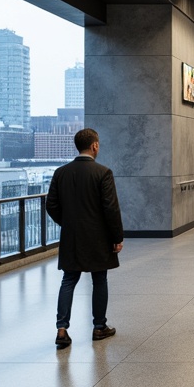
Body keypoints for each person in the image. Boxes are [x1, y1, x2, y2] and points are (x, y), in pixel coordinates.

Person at [45, 127, 124, 347]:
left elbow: (50, 205)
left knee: (68, 280)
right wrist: (117, 237)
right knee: (99, 279)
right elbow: (111, 208)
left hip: (72, 237)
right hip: (98, 238)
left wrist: (67, 223)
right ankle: (99, 327)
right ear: (94, 145)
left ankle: (62, 330)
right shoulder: (103, 173)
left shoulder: (61, 172)